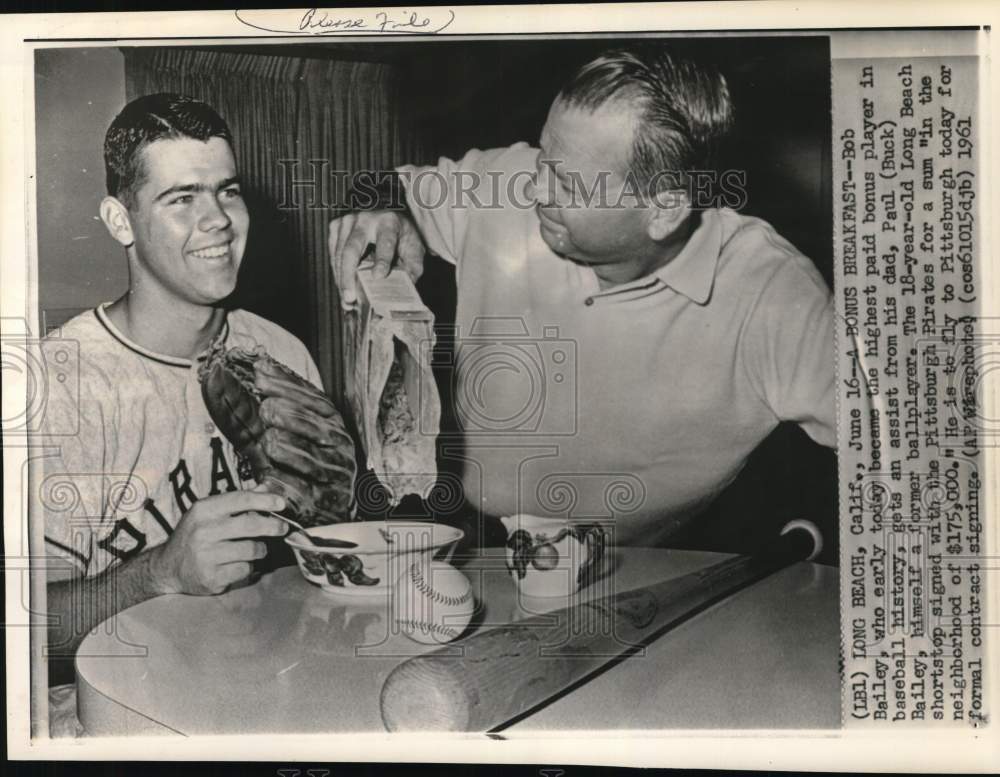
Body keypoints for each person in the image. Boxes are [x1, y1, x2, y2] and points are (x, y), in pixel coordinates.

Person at [330, 46, 835, 547]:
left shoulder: (775, 296)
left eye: (566, 182)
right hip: (468, 539)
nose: (534, 190)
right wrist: (387, 215)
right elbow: (384, 186)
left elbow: (899, 458)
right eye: (543, 156)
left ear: (663, 210)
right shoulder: (507, 180)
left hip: (645, 575)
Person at [35, 93, 342, 734]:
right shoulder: (55, 390)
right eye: (181, 199)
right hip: (117, 719)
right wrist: (160, 573)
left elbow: (323, 560)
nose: (219, 221)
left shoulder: (281, 353)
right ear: (120, 221)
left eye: (227, 192)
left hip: (272, 699)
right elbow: (22, 633)